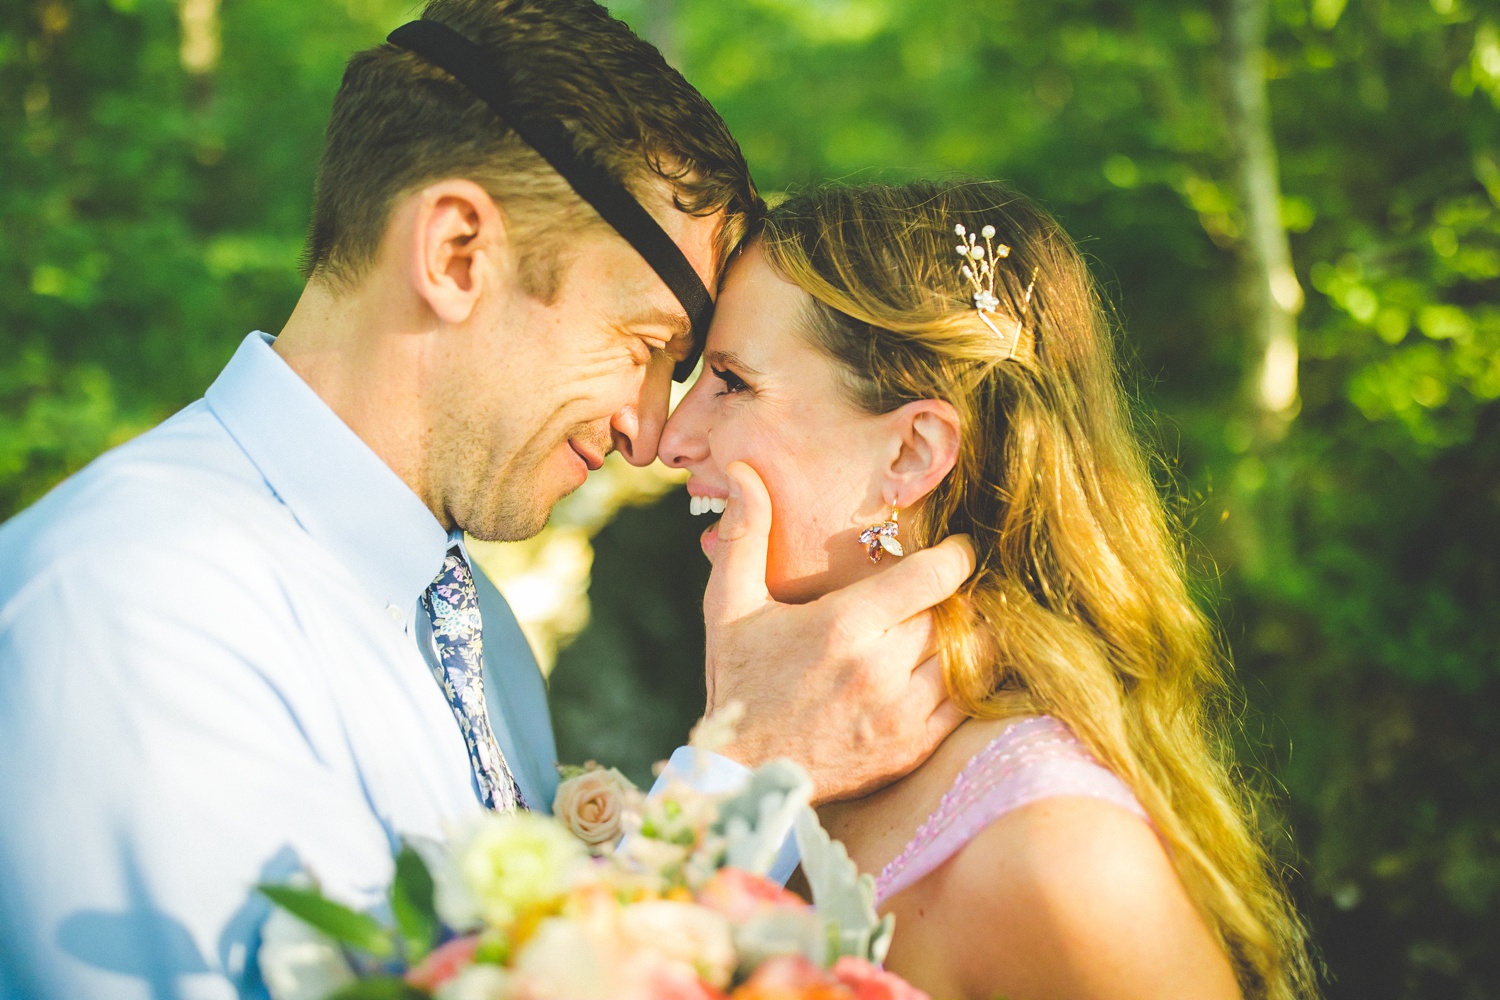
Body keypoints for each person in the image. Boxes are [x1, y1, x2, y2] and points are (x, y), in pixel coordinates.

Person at [0, 4, 974, 998]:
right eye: (645, 349)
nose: (650, 434)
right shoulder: (126, 609)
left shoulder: (483, 632)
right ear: (458, 253)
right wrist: (750, 765)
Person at [660, 180, 1320, 1000]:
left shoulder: (1063, 860)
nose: (670, 437)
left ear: (910, 452)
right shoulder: (794, 732)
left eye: (730, 382)